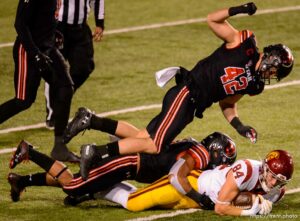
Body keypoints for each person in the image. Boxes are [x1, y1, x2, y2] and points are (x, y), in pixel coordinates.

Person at [62, 2, 294, 162]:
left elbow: (228, 104)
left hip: (193, 104)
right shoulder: (245, 43)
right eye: (275, 69)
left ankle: (90, 120)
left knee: (144, 137)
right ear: (270, 57)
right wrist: (240, 9)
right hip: (187, 92)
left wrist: (239, 125)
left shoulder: (255, 84)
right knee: (154, 145)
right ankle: (96, 153)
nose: (272, 74)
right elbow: (212, 20)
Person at [7, 131, 236, 208]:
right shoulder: (199, 154)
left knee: (80, 179)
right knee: (72, 186)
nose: (221, 164)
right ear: (214, 151)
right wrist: (200, 199)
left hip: (128, 164)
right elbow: (176, 177)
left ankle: (22, 181)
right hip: (127, 164)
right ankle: (29, 151)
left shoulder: (192, 145)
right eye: (224, 158)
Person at [104, 149, 293, 217]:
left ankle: (102, 186)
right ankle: (97, 186)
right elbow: (220, 207)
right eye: (272, 176)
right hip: (193, 187)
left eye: (279, 180)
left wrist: (257, 200)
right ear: (265, 168)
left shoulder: (275, 191)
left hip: (201, 201)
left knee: (141, 201)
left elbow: (241, 197)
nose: (273, 182)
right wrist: (248, 211)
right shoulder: (247, 170)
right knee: (134, 202)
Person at [0, 0, 78, 162]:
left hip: (48, 47)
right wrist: (35, 54)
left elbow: (46, 16)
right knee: (24, 100)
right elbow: (20, 24)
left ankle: (59, 147)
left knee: (65, 87)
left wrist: (54, 33)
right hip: (28, 50)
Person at [45, 0, 105, 128]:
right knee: (54, 70)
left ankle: (62, 96)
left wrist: (100, 23)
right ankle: (54, 112)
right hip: (58, 26)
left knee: (84, 67)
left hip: (80, 28)